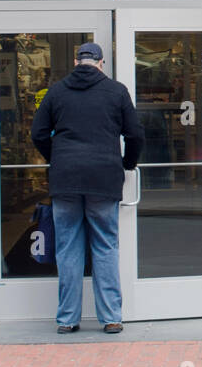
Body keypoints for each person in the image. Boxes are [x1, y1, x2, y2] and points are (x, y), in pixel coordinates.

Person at [31, 41, 144, 334]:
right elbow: (135, 134)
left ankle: (68, 319)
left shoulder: (56, 91)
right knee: (106, 245)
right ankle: (111, 318)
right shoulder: (116, 91)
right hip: (104, 178)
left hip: (65, 178)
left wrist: (57, 158)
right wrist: (127, 163)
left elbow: (38, 133)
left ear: (76, 61)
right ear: (101, 63)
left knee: (67, 247)